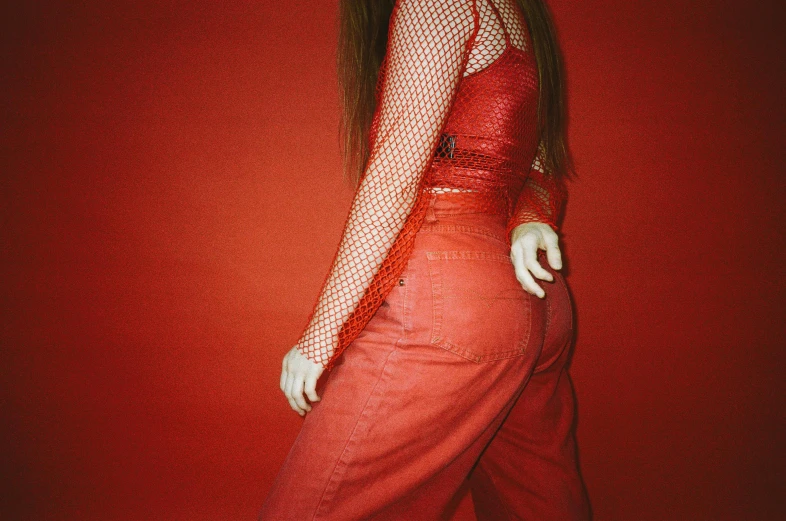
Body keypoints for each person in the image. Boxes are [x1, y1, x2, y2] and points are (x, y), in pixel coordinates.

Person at [260, 0, 591, 519]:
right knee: (539, 505)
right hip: (536, 299)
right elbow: (540, 161)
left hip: (454, 298)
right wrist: (530, 217)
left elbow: (394, 175)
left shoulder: (440, 3)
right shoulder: (518, 14)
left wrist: (322, 336)